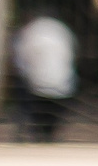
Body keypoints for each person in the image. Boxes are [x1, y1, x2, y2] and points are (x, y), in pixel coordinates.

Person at [11, 13, 75, 142]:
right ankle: (46, 135)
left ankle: (37, 134)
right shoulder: (61, 30)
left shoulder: (30, 33)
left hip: (38, 85)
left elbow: (21, 60)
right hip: (62, 84)